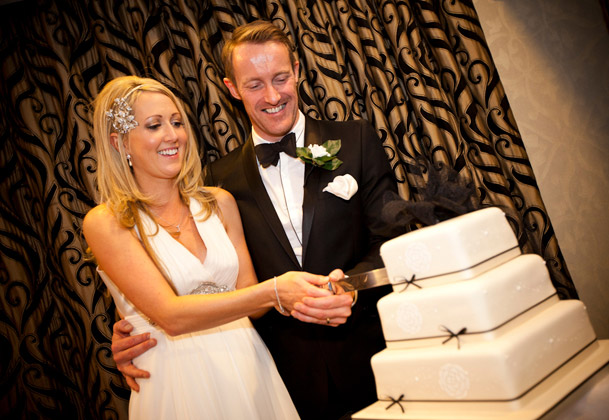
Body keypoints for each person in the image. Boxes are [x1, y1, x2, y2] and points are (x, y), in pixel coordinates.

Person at [111, 20, 400, 419]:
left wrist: (351, 287)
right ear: (231, 89)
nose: (272, 95)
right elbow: (180, 273)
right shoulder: (215, 185)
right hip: (277, 379)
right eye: (254, 85)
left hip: (372, 356)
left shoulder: (357, 141)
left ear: (297, 70)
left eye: (280, 77)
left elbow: (394, 241)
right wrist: (134, 327)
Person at [83, 75, 341, 419]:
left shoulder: (219, 204)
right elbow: (170, 316)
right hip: (177, 380)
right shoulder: (108, 222)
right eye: (154, 125)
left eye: (176, 122)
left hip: (251, 367)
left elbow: (251, 300)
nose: (172, 135)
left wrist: (308, 292)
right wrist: (277, 290)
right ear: (120, 144)